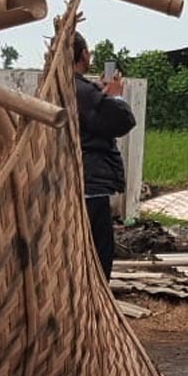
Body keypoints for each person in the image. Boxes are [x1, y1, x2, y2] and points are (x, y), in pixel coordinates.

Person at [73, 31, 135, 280]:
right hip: (91, 183)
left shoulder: (62, 87)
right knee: (99, 252)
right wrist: (115, 96)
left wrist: (100, 94)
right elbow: (122, 121)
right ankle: (94, 306)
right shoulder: (83, 91)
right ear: (84, 54)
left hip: (68, 182)